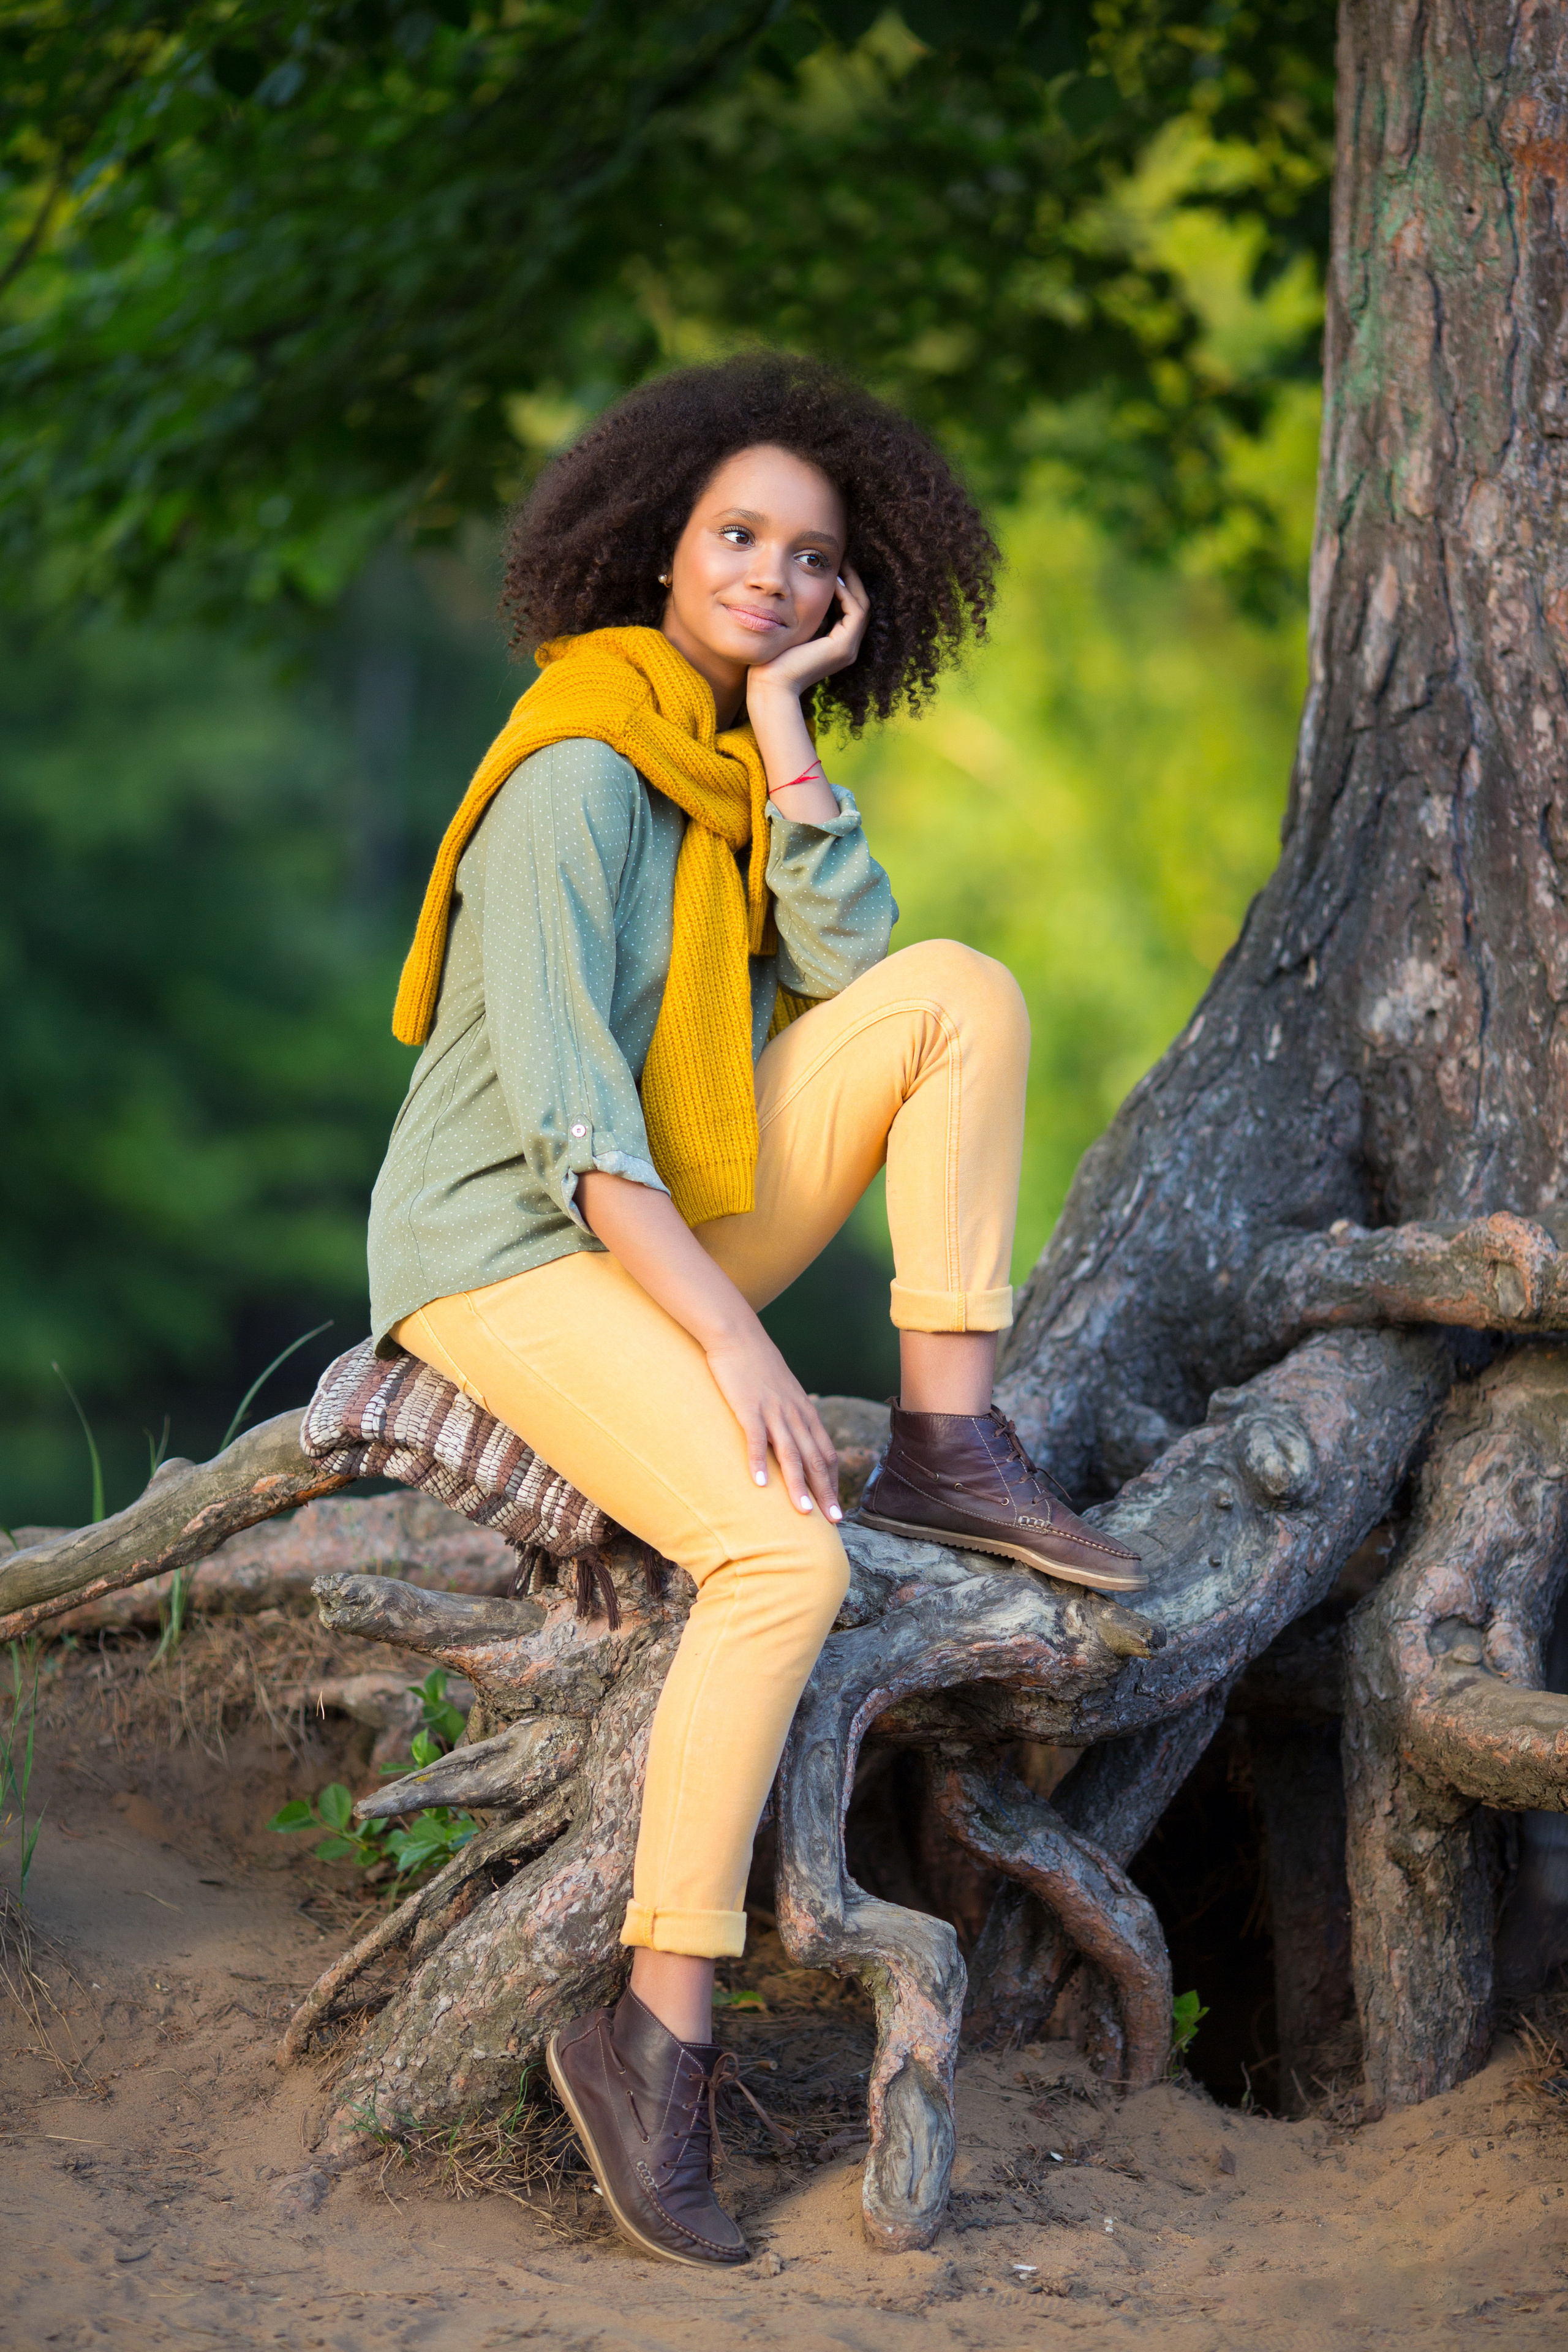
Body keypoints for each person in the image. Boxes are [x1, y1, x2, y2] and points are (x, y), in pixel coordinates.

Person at [368, 353, 1142, 2271]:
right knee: (782, 1559)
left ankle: (950, 1435)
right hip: (506, 1242)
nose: (773, 580)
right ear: (658, 545)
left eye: (812, 560)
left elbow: (857, 975)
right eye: (738, 538)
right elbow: (569, 1125)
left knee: (958, 992)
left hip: (668, 1204)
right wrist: (732, 1338)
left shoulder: (726, 776)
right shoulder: (575, 770)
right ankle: (655, 2033)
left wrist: (788, 730)